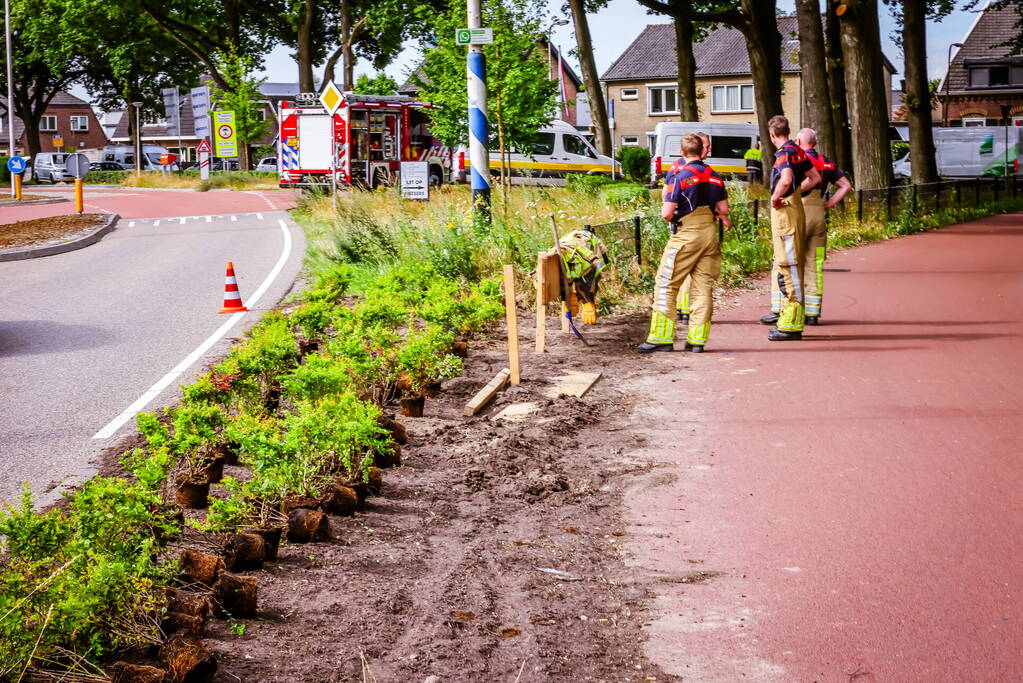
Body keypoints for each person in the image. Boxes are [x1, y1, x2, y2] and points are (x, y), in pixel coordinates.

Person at [638, 133, 731, 354]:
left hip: (687, 233)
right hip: (709, 233)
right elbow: (724, 210)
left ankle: (661, 338)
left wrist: (676, 215)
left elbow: (667, 213)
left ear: (681, 153)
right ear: (702, 151)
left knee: (666, 283)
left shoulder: (680, 176)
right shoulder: (715, 176)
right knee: (703, 287)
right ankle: (697, 341)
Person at [760, 115, 819, 341]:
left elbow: (786, 178)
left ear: (772, 134)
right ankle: (790, 319)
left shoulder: (784, 153)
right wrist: (795, 193)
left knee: (788, 265)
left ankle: (792, 325)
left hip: (786, 214)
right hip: (795, 208)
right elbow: (814, 178)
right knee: (791, 264)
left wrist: (777, 196)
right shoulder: (798, 151)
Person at [794, 127, 852, 324]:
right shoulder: (826, 161)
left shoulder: (797, 160)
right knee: (815, 264)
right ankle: (813, 313)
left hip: (799, 212)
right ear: (815, 143)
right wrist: (827, 204)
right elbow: (846, 185)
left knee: (792, 262)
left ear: (799, 142)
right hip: (818, 215)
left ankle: (790, 310)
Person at [676, 131, 713, 324]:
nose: (708, 149)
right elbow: (668, 193)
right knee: (686, 270)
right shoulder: (680, 169)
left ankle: (688, 309)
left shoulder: (708, 171)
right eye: (706, 146)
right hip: (686, 223)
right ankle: (684, 309)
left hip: (700, 225)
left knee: (697, 273)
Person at [551, 229, 609, 325]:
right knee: (578, 282)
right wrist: (568, 296)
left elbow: (588, 278)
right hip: (572, 245)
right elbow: (566, 278)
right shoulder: (555, 260)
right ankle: (580, 298)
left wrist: (588, 301)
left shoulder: (583, 259)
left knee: (586, 284)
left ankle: (588, 303)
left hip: (591, 250)